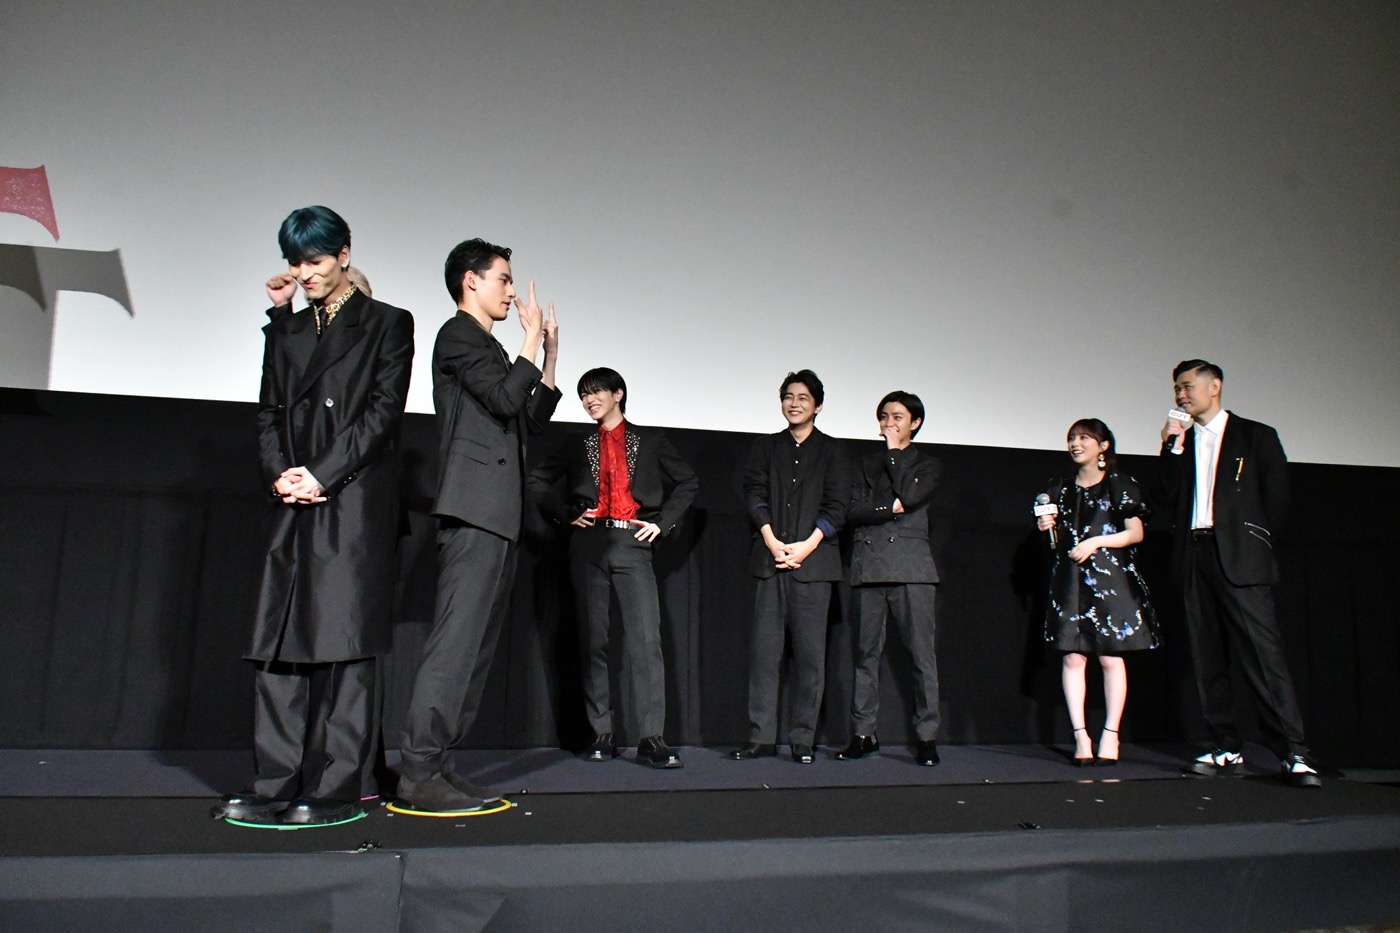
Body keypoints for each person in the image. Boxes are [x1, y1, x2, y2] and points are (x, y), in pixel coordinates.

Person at [217, 206, 413, 826]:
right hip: (292, 499)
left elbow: (382, 415)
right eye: (296, 262)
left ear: (344, 255)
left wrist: (322, 473)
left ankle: (337, 785)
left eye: (316, 261)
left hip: (349, 499)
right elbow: (270, 412)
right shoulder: (288, 329)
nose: (305, 273)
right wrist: (281, 474)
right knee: (277, 642)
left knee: (346, 643)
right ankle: (275, 781)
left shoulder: (388, 322)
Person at [395, 238, 561, 813]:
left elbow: (529, 418)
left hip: (499, 515)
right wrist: (530, 339)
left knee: (476, 651)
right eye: (504, 279)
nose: (512, 292)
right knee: (455, 645)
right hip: (472, 510)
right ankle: (418, 770)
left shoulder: (490, 347)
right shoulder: (457, 335)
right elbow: (503, 399)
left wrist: (549, 357)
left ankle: (441, 764)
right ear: (471, 281)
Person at [1157, 359, 1319, 787]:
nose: (1181, 395)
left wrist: (1251, 543)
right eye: (1176, 389)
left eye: (1187, 386)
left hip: (1239, 556)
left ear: (1215, 386)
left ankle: (1294, 752)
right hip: (1194, 555)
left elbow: (1276, 500)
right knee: (1206, 657)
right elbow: (1164, 498)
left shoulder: (1255, 436)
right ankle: (1225, 745)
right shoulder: (1182, 441)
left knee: (1264, 659)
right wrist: (1171, 448)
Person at [526, 367, 699, 767]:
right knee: (594, 641)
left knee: (646, 641)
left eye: (596, 392)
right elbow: (536, 481)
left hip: (632, 543)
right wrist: (566, 513)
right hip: (588, 544)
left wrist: (662, 523)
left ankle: (652, 737)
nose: (589, 400)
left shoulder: (650, 440)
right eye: (583, 395)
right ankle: (601, 732)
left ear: (618, 393)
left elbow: (688, 482)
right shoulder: (578, 443)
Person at [731, 370, 849, 764]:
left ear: (818, 405)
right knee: (764, 657)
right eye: (788, 396)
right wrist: (770, 539)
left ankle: (803, 740)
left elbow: (838, 506)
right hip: (771, 561)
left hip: (813, 566)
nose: (794, 404)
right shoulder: (765, 447)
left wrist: (807, 546)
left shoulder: (833, 451)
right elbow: (754, 494)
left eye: (803, 398)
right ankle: (760, 737)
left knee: (811, 660)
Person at [1037, 418, 1158, 767]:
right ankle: (1080, 736)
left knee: (1110, 657)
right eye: (1072, 438)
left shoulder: (1119, 484)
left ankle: (1110, 734)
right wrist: (1046, 525)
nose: (1076, 444)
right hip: (1071, 580)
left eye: (1084, 438)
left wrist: (1096, 542)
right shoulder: (1060, 487)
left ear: (1103, 446)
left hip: (1110, 580)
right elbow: (1052, 532)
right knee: (1073, 657)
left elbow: (1135, 533)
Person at [839, 391, 942, 766]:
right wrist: (888, 508)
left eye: (897, 417)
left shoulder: (927, 464)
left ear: (915, 422)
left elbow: (911, 496)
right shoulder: (864, 464)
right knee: (865, 656)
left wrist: (895, 452)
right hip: (869, 566)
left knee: (921, 657)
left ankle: (927, 737)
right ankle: (863, 734)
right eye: (884, 416)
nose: (889, 423)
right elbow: (851, 510)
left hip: (912, 569)